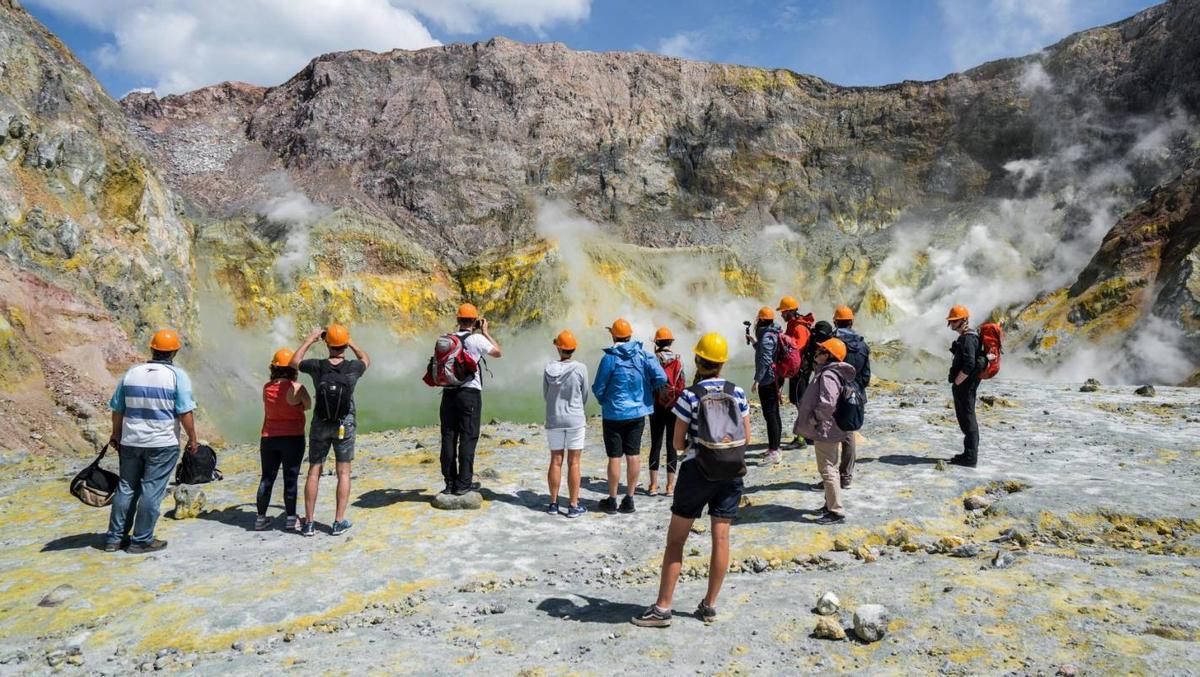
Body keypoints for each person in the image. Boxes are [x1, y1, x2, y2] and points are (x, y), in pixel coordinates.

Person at [632, 333, 750, 628]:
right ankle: (709, 605)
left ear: (698, 360)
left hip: (697, 472)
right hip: (732, 471)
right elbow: (746, 437)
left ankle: (663, 608)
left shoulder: (690, 396)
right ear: (722, 363)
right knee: (721, 538)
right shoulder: (738, 393)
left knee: (676, 541)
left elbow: (677, 444)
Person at [104, 329, 198, 553]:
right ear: (174, 352)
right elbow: (185, 412)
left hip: (131, 440)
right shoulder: (177, 376)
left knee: (126, 488)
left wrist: (116, 434)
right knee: (151, 490)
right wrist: (193, 438)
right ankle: (141, 540)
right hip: (161, 443)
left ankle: (114, 539)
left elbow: (118, 408)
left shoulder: (132, 373)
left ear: (152, 349)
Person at [290, 324, 370, 537]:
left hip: (320, 422)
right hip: (345, 423)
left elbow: (294, 363)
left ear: (327, 344)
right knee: (343, 472)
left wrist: (310, 339)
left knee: (314, 471)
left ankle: (308, 523)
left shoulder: (317, 366)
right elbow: (366, 360)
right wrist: (350, 341)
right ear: (344, 344)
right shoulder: (353, 367)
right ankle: (338, 522)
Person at [592, 318, 667, 514]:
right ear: (630, 335)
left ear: (613, 335)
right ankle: (630, 499)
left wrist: (604, 400)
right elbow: (661, 377)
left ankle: (612, 500)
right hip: (637, 413)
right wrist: (647, 391)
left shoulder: (609, 358)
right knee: (633, 455)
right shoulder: (643, 355)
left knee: (614, 457)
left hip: (614, 413)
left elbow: (598, 387)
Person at [438, 303, 503, 495]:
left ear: (457, 320)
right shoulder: (477, 339)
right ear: (475, 321)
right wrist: (485, 332)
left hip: (448, 394)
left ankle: (449, 483)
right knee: (468, 438)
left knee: (448, 438)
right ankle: (464, 484)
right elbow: (498, 353)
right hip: (469, 394)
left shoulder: (446, 339)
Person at [794, 337, 856, 524]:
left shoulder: (828, 375)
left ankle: (836, 511)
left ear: (829, 355)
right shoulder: (832, 373)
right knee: (831, 467)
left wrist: (814, 419)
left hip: (825, 429)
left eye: (821, 351)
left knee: (828, 469)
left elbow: (828, 403)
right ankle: (830, 503)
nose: (816, 353)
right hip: (831, 428)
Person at [257, 348, 311, 531]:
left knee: (266, 478)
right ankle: (290, 518)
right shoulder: (297, 388)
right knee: (291, 478)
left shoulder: (266, 388)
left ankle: (260, 518)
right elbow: (308, 405)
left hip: (269, 438)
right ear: (293, 369)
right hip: (293, 438)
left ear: (274, 367)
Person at [543, 329, 588, 517]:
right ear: (574, 348)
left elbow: (546, 394)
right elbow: (584, 394)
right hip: (575, 419)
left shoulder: (548, 368)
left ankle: (553, 504)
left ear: (558, 348)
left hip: (554, 418)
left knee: (555, 460)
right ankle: (572, 505)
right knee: (574, 462)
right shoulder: (580, 368)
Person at [832, 305, 871, 489]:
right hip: (854, 395)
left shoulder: (834, 342)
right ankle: (845, 478)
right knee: (848, 435)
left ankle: (830, 479)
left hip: (835, 394)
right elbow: (866, 376)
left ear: (835, 321)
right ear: (851, 321)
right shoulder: (863, 345)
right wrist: (855, 389)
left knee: (830, 436)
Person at [648, 326, 685, 496]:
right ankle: (670, 487)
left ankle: (653, 485)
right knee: (671, 445)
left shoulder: (652, 359)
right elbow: (682, 384)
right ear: (671, 342)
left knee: (655, 443)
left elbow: (647, 382)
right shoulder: (679, 360)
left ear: (657, 342)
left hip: (656, 406)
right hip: (673, 406)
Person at [946, 305, 981, 467]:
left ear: (963, 321)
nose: (951, 323)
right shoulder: (968, 337)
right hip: (966, 384)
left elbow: (969, 364)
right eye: (951, 320)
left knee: (968, 418)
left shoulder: (968, 338)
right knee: (966, 418)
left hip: (965, 385)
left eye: (954, 320)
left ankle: (970, 457)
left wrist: (958, 382)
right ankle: (968, 453)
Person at [778, 296, 815, 449]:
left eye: (783, 312)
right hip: (797, 370)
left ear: (791, 311)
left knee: (801, 402)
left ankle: (801, 438)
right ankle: (809, 434)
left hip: (800, 370)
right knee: (799, 400)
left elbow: (796, 350)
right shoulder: (794, 325)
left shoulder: (799, 327)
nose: (781, 315)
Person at [749, 307, 783, 464]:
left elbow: (765, 361)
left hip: (768, 380)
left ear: (762, 321)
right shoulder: (771, 334)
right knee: (774, 413)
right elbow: (764, 353)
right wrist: (755, 343)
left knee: (770, 415)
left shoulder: (767, 337)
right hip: (774, 378)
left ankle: (774, 451)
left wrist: (757, 380)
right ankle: (774, 447)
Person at [793, 320, 833, 446]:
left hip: (810, 376)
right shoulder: (832, 345)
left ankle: (803, 437)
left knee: (804, 404)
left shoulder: (812, 342)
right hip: (823, 380)